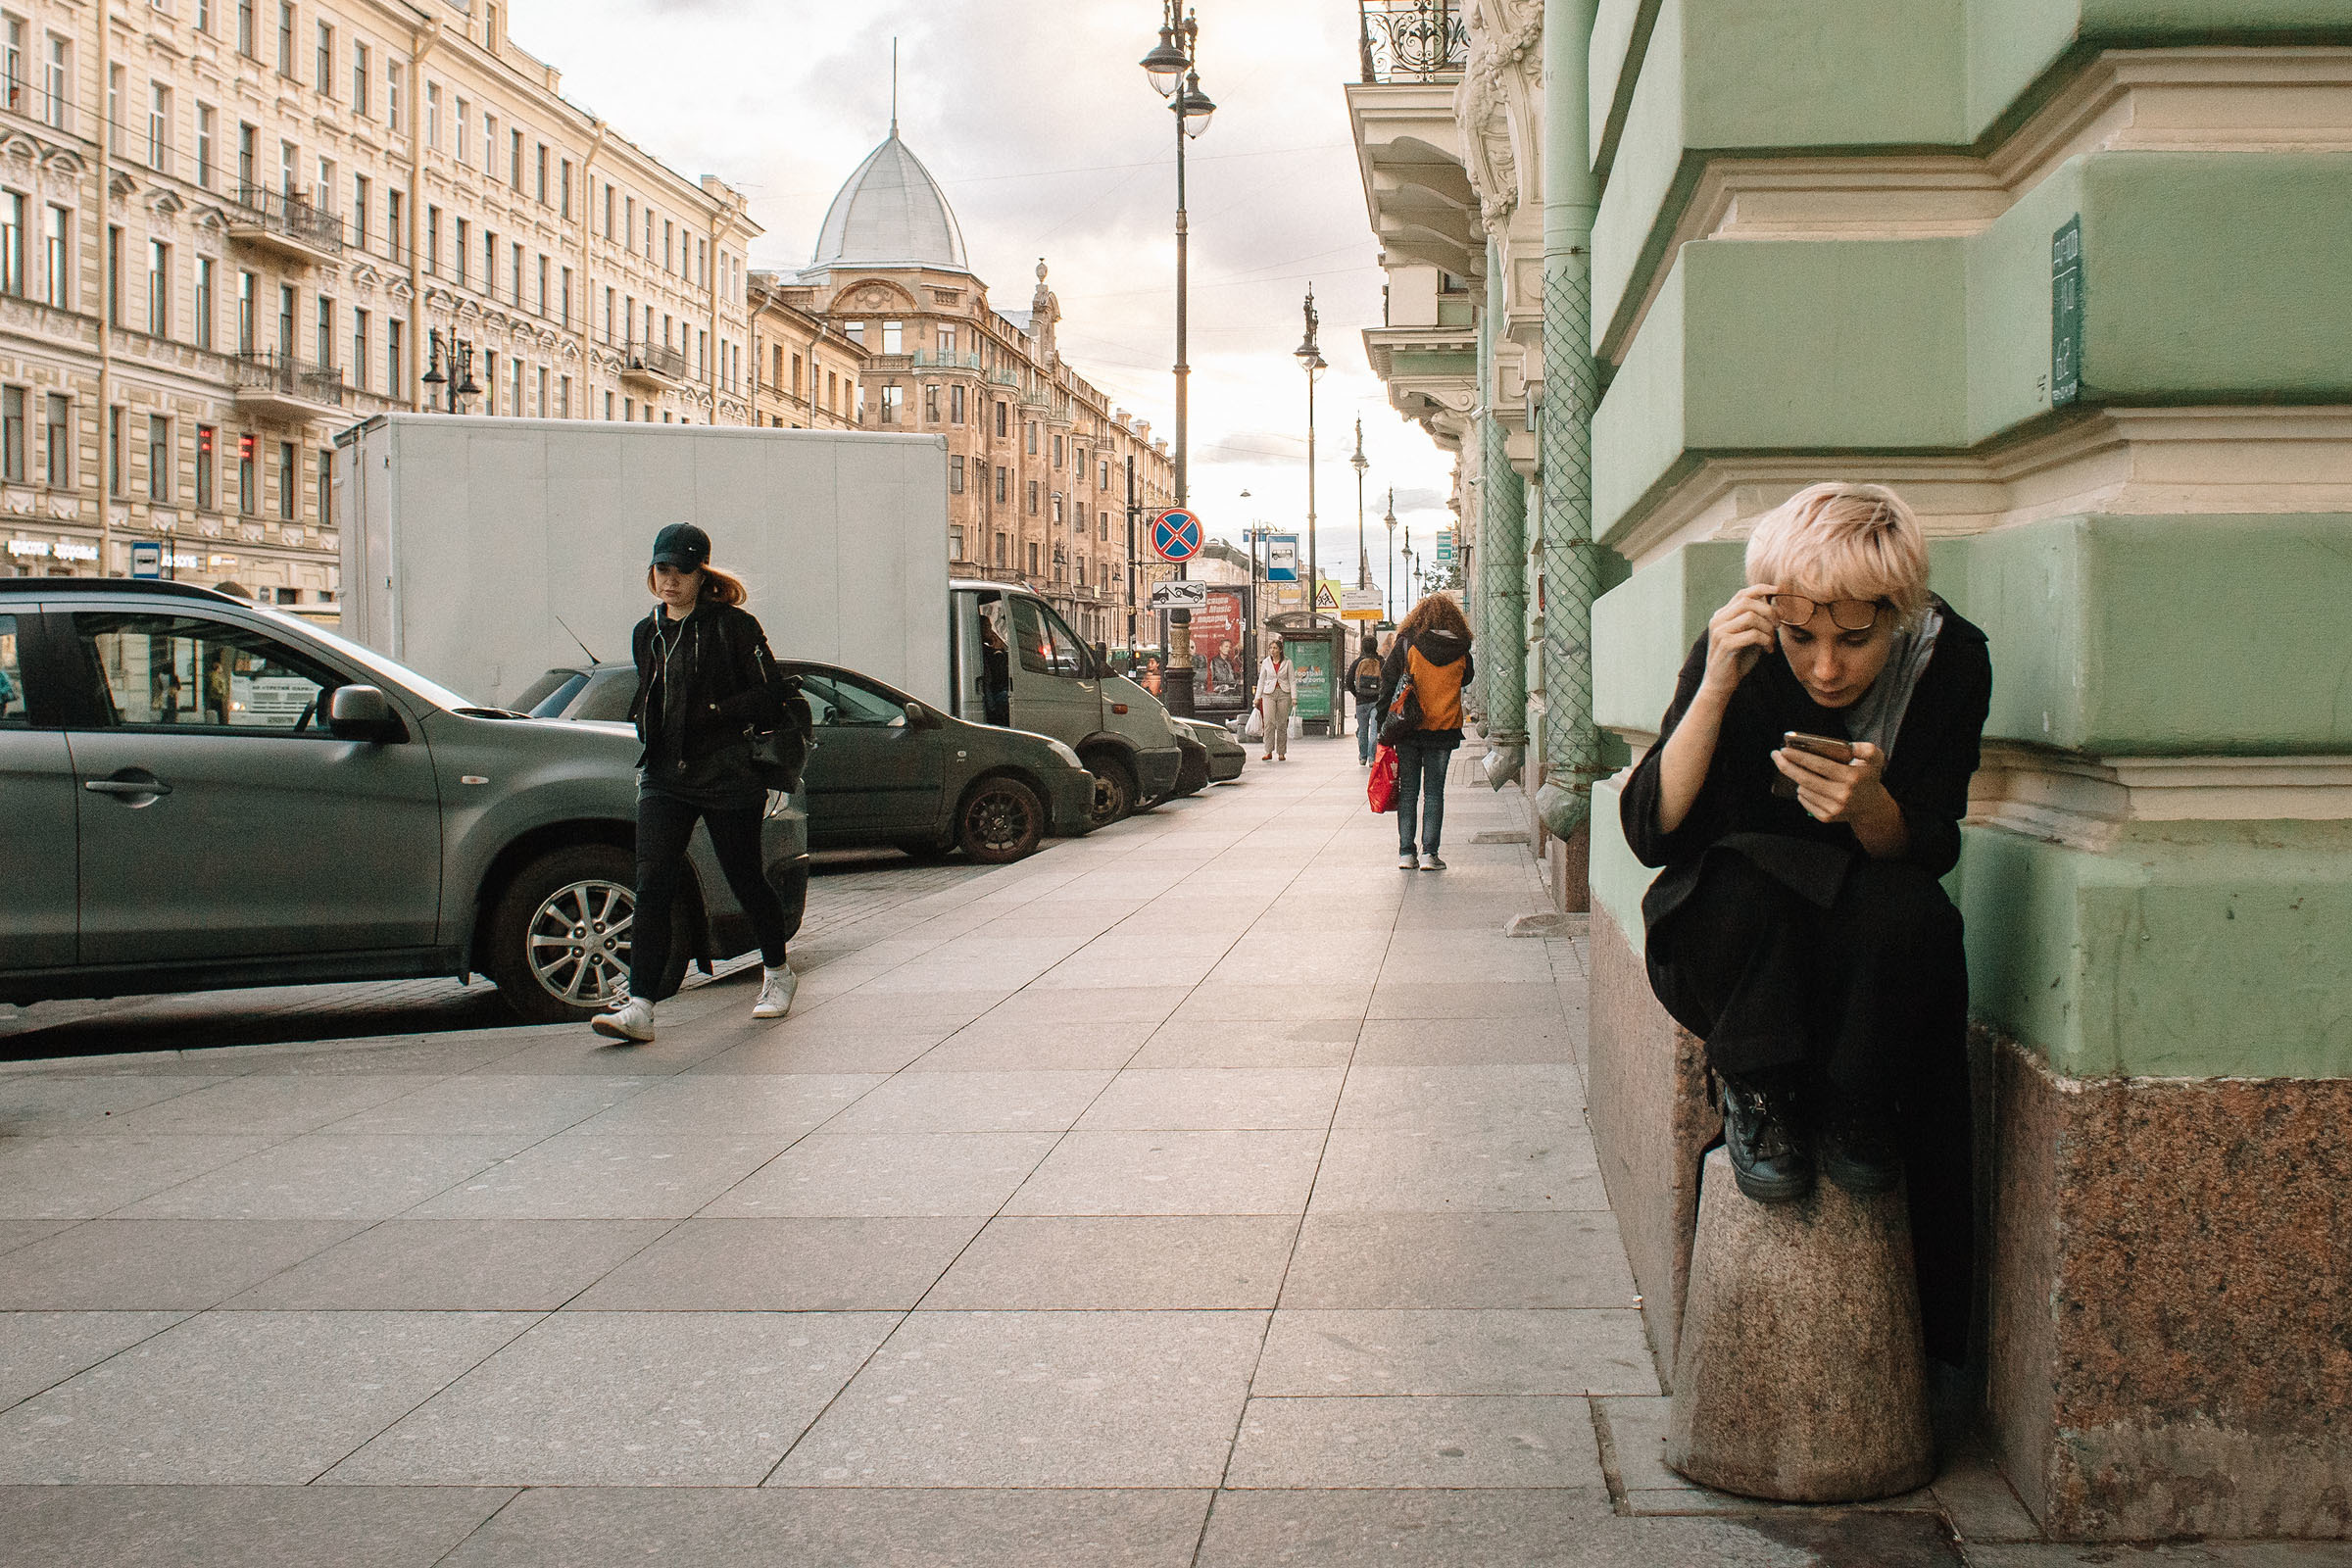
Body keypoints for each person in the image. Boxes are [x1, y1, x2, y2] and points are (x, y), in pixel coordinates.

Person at [1617, 481, 1989, 1370]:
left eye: (1856, 639)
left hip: (1868, 965)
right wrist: (1713, 688)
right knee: (1749, 880)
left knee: (1913, 912)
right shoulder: (1736, 650)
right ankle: (1759, 1098)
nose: (1825, 667)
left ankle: (1860, 1109)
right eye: (1802, 637)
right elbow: (1650, 833)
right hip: (1731, 945)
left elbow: (1930, 846)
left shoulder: (1951, 660)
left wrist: (1872, 810)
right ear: (1770, 614)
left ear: (1899, 614)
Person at [594, 523, 799, 1043]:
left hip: (726, 772)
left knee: (744, 877)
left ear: (700, 572)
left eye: (681, 571)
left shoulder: (735, 627)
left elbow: (771, 694)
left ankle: (777, 972)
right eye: (662, 569)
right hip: (663, 774)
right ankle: (639, 1006)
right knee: (653, 885)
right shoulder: (648, 631)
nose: (670, 580)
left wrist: (715, 712)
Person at [1379, 595, 1474, 869]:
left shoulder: (1408, 642)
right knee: (1434, 792)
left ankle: (1406, 853)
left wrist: (1382, 725)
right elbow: (1467, 677)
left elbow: (1388, 680)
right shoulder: (1460, 647)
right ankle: (1430, 854)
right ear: (1452, 619)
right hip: (1444, 729)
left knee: (1409, 791)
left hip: (1408, 727)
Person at [1257, 635, 1297, 760]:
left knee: (1281, 723)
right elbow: (1261, 680)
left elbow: (1292, 680)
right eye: (1271, 648)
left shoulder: (1287, 662)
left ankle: (1281, 752)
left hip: (1283, 693)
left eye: (1275, 648)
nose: (1272, 650)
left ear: (1280, 650)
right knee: (1269, 722)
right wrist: (1257, 697)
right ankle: (1268, 750)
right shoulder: (1266, 662)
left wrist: (1294, 697)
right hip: (1268, 694)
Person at [1349, 632, 1385, 766]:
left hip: (1361, 702)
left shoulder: (1358, 662)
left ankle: (1362, 756)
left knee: (1363, 730)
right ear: (1375, 646)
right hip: (1377, 701)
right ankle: (1372, 758)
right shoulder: (1381, 661)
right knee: (1374, 731)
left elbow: (1348, 680)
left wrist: (1357, 693)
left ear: (1363, 647)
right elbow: (1387, 680)